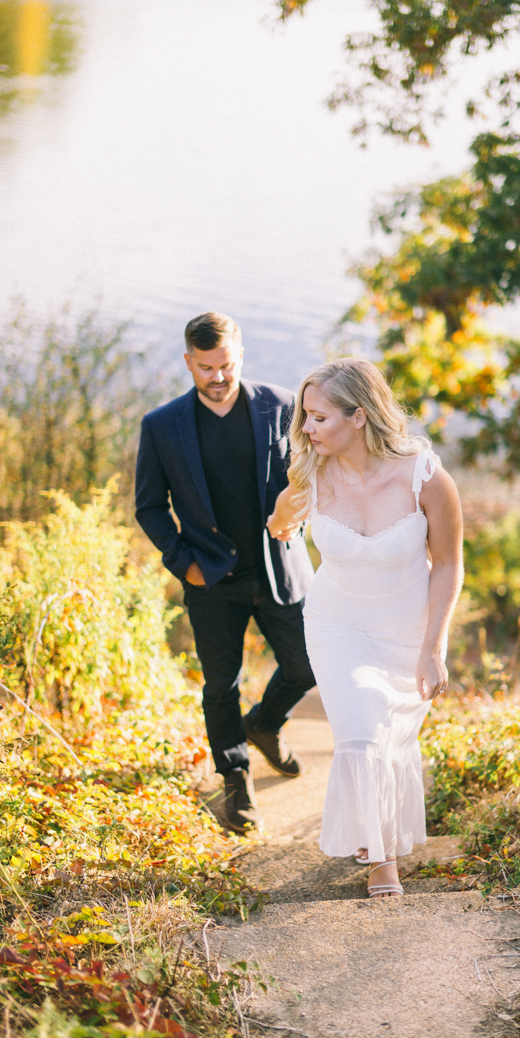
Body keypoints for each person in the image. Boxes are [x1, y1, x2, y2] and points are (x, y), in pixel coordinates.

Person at [267, 359, 463, 898]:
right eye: (305, 417)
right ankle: (383, 862)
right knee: (359, 736)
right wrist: (284, 511)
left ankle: (374, 830)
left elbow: (447, 563)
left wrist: (434, 649)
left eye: (319, 418)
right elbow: (279, 527)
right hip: (336, 624)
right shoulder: (311, 475)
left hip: (406, 629)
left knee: (391, 736)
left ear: (359, 416)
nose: (306, 428)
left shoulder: (424, 475)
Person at [135, 312, 316, 833]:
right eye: (206, 367)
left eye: (227, 365)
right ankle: (236, 781)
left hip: (281, 568)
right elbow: (149, 507)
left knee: (306, 667)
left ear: (240, 356)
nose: (218, 377)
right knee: (220, 686)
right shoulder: (162, 426)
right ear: (189, 361)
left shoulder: (282, 406)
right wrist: (183, 564)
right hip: (211, 580)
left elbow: (311, 477)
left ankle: (263, 725)